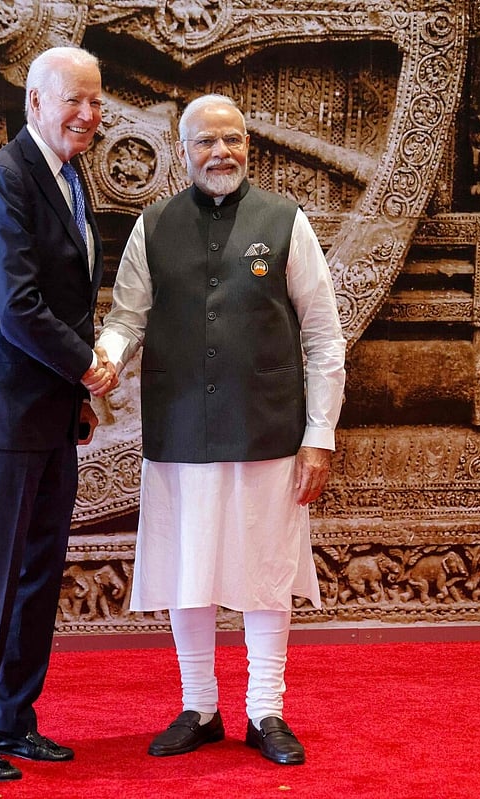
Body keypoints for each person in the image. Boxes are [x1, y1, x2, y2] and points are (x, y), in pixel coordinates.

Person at [96, 93, 346, 766]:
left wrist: (319, 433)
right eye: (206, 142)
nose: (221, 152)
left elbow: (324, 338)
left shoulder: (285, 222)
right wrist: (108, 358)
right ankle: (200, 705)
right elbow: (126, 318)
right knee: (189, 569)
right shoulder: (151, 228)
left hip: (267, 430)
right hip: (178, 431)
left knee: (266, 571)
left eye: (232, 139)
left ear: (247, 146)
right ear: (183, 152)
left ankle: (267, 709)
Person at [0, 45, 117, 782]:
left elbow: (61, 296)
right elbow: (17, 308)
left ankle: (12, 718)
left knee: (38, 571)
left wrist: (74, 397)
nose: (88, 114)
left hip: (50, 412)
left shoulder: (68, 178)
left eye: (97, 101)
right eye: (74, 99)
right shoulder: (2, 181)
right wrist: (85, 365)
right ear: (34, 102)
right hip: (5, 414)